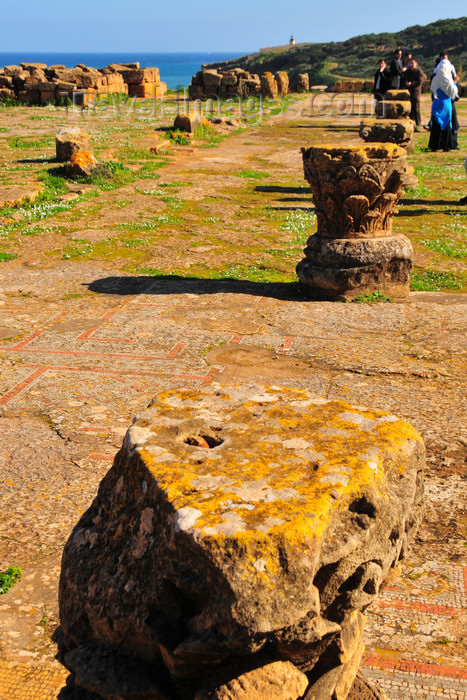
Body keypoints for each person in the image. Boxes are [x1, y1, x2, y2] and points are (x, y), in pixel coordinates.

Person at [428, 59, 458, 152]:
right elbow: (454, 95)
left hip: (437, 103)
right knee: (447, 124)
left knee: (436, 124)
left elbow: (433, 90)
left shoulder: (435, 79)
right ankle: (447, 145)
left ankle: (435, 145)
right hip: (446, 104)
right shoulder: (449, 80)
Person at [404, 58, 425, 126]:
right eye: (410, 63)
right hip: (408, 91)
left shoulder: (419, 72)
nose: (411, 65)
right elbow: (404, 78)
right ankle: (411, 122)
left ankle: (418, 123)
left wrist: (411, 83)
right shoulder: (408, 72)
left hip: (416, 91)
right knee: (410, 108)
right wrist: (406, 83)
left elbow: (419, 81)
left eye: (412, 63)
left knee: (416, 107)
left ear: (416, 63)